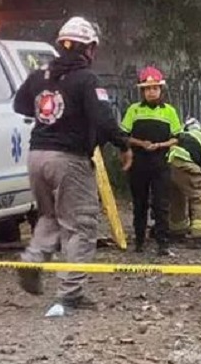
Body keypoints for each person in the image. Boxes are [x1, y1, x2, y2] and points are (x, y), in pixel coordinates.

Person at [13, 16, 131, 310]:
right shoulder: (87, 79)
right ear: (89, 48)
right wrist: (124, 144)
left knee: (49, 216)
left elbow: (20, 104)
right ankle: (71, 294)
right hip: (69, 159)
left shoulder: (40, 75)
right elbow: (104, 119)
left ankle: (33, 258)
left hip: (36, 155)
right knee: (80, 225)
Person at [122, 66, 182, 255]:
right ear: (142, 91)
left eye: (155, 88)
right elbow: (124, 135)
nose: (151, 92)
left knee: (161, 204)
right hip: (138, 163)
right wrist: (141, 143)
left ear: (160, 90)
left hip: (160, 163)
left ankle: (163, 244)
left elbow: (178, 137)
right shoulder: (134, 110)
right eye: (147, 89)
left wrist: (161, 145)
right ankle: (139, 242)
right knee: (139, 203)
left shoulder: (169, 112)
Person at [168, 118, 201, 243]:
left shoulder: (192, 134)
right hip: (186, 159)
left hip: (171, 160)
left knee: (177, 195)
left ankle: (177, 230)